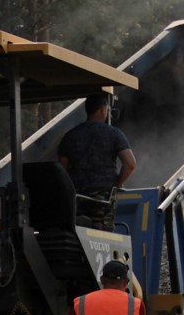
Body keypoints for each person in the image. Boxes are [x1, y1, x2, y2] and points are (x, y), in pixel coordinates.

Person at [56, 91, 136, 231]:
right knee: (102, 239)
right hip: (103, 196)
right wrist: (118, 183)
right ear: (103, 109)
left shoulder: (70, 136)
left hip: (77, 196)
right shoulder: (114, 134)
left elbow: (62, 170)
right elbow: (130, 163)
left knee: (79, 235)